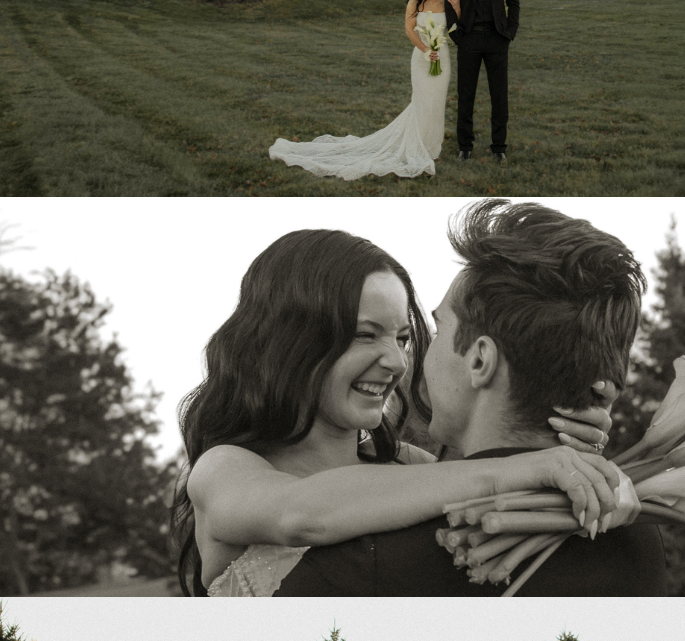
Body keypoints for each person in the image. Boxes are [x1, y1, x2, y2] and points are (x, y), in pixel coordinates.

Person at [172, 223, 620, 595]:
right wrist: (519, 468)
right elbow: (301, 516)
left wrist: (571, 447)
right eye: (365, 335)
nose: (398, 362)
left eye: (403, 338)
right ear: (291, 340)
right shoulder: (222, 470)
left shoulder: (410, 464)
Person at [275, 200, 668, 596]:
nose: (403, 362)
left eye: (438, 329)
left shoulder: (359, 557)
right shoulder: (638, 539)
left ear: (480, 360)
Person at [267, 0, 454, 180]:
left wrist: (457, 9)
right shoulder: (415, 3)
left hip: (442, 58)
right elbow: (410, 30)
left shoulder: (445, 2)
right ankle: (417, 146)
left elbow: (457, 25)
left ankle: (432, 148)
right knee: (422, 101)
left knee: (437, 103)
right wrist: (426, 50)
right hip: (423, 57)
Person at [444, 0, 520, 164]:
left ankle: (499, 147)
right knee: (465, 95)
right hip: (469, 40)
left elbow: (514, 3)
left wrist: (509, 33)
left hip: (497, 40)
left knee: (499, 96)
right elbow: (448, 5)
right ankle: (465, 147)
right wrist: (457, 36)